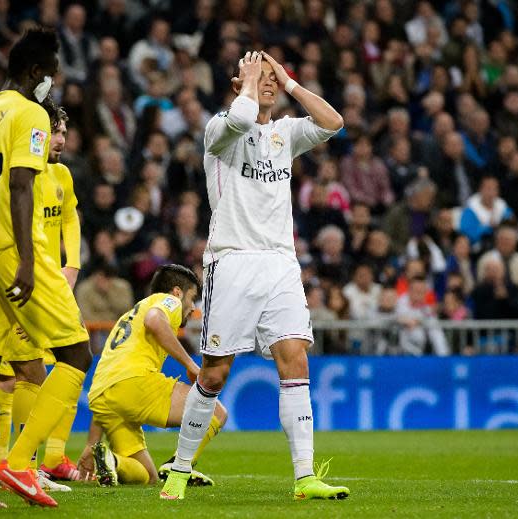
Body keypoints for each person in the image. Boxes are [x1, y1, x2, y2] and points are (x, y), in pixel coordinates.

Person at [160, 50, 349, 501]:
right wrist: (248, 82)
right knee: (215, 374)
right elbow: (243, 117)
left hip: (281, 262)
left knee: (295, 359)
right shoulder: (219, 131)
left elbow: (333, 121)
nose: (267, 82)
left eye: (271, 76)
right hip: (233, 259)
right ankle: (181, 468)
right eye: (257, 76)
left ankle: (305, 476)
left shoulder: (286, 133)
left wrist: (290, 83)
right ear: (237, 82)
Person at [0, 28, 91, 509]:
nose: (51, 85)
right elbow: (19, 184)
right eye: (50, 75)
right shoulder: (31, 112)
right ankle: (19, 462)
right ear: (35, 73)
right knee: (76, 355)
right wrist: (30, 262)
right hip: (15, 250)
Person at [0, 99, 83, 492]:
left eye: (62, 131)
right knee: (13, 376)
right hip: (22, 279)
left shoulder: (61, 175)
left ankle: (31, 464)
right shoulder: (22, 173)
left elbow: (71, 217)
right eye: (53, 131)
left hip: (47, 280)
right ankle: (13, 463)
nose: (59, 138)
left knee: (30, 373)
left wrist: (72, 265)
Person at [77, 264, 226, 486]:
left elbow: (107, 384)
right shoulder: (169, 302)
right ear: (177, 292)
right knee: (216, 411)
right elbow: (155, 321)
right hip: (134, 382)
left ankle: (113, 461)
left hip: (105, 397)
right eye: (192, 298)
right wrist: (190, 365)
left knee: (147, 477)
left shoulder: (129, 315)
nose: (192, 307)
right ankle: (180, 466)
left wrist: (91, 444)